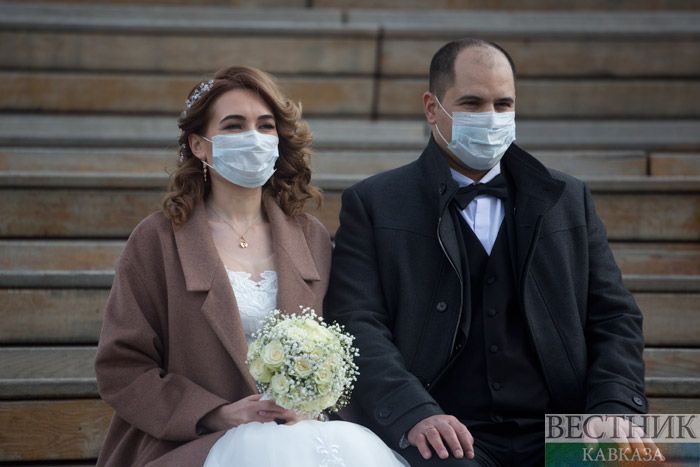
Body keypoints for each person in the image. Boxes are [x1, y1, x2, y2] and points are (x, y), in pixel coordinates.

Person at [325, 38, 648, 466]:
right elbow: (356, 322)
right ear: (432, 108)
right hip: (445, 431)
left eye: (503, 104)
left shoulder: (567, 199)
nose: (491, 117)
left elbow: (614, 316)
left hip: (563, 425)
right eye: (472, 103)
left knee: (663, 453)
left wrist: (614, 405)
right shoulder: (375, 204)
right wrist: (413, 411)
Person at [95, 66, 406, 467]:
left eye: (265, 126)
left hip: (300, 432)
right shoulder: (157, 240)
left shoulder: (310, 236)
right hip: (193, 442)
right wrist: (217, 414)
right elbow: (122, 368)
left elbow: (344, 349)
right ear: (199, 145)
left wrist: (310, 404)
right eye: (234, 125)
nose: (253, 138)